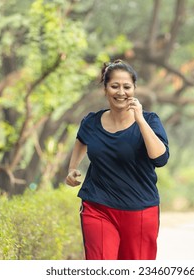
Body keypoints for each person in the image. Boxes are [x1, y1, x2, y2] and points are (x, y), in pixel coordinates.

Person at [65, 59, 169, 260]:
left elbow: (161, 158)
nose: (121, 92)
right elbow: (81, 140)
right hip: (98, 207)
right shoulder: (92, 122)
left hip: (140, 211)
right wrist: (72, 168)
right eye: (114, 86)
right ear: (105, 89)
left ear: (134, 89)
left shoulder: (150, 121)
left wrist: (139, 120)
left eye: (126, 87)